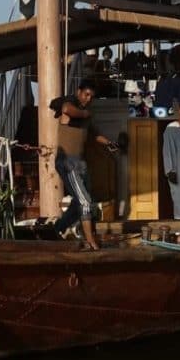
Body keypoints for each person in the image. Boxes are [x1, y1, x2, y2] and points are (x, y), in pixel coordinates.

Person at [49, 94, 102, 250]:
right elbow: (66, 108)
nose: (88, 99)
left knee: (79, 203)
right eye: (86, 95)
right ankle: (90, 241)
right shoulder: (69, 112)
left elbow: (96, 135)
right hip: (68, 162)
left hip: (79, 163)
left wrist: (112, 144)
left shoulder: (85, 121)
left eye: (91, 96)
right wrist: (84, 113)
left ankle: (56, 229)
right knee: (84, 202)